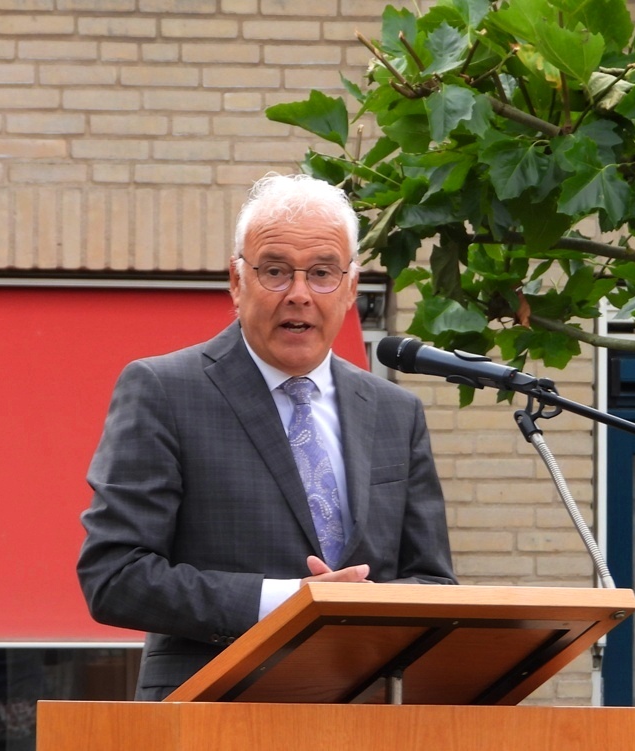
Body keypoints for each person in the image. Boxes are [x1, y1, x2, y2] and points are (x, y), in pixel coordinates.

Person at [76, 173, 457, 701]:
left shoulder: (396, 411)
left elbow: (433, 583)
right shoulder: (164, 390)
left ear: (350, 288)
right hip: (212, 710)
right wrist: (289, 603)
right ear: (237, 282)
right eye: (275, 271)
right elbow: (115, 576)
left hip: (365, 716)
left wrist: (363, 610)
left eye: (322, 273)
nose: (299, 295)